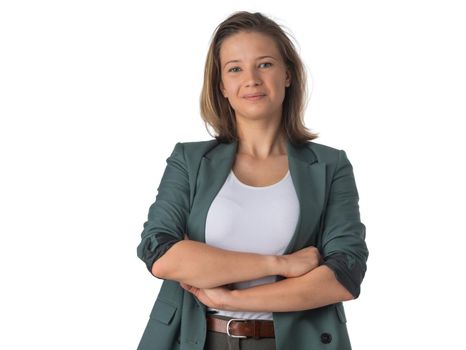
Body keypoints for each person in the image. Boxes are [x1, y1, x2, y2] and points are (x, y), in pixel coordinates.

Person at [136, 11, 368, 350]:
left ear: (288, 75)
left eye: (265, 64)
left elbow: (343, 276)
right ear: (222, 86)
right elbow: (160, 253)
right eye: (235, 69)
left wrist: (230, 300)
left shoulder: (330, 165)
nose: (251, 79)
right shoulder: (189, 160)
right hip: (197, 340)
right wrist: (281, 265)